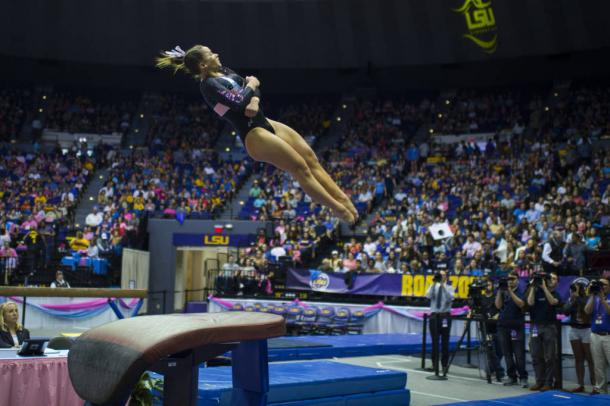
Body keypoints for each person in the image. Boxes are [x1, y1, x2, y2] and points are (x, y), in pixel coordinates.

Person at [156, 45, 358, 224]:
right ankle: (337, 208)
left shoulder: (224, 72)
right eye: (210, 54)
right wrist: (251, 88)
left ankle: (344, 200)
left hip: (265, 121)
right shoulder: (208, 86)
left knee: (311, 159)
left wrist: (254, 100)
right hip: (253, 133)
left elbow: (250, 94)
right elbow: (240, 99)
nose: (216, 53)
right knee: (300, 168)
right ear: (202, 66)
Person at [526, 272, 561, 391]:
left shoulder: (555, 293)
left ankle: (548, 382)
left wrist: (544, 287)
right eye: (549, 279)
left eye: (552, 279)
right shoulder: (536, 292)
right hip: (535, 326)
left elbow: (552, 302)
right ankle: (539, 381)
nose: (550, 281)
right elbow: (530, 302)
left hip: (549, 326)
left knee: (550, 356)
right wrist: (532, 286)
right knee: (536, 355)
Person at [495, 271, 528, 387]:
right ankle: (511, 376)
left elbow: (521, 304)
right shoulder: (503, 291)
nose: (511, 281)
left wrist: (509, 291)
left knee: (519, 354)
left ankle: (523, 377)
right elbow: (498, 306)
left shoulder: (522, 290)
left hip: (516, 327)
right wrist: (500, 291)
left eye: (513, 279)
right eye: (509, 279)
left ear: (518, 280)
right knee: (507, 353)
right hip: (503, 326)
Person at [562, 281, 594, 393]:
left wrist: (578, 297)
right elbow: (565, 312)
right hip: (574, 330)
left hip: (586, 329)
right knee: (578, 358)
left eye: (576, 288)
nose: (574, 291)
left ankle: (595, 386)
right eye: (573, 289)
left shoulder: (588, 298)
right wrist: (572, 299)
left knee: (590, 359)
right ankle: (580, 385)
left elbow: (587, 309)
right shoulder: (571, 299)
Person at [425, 270, 455, 372]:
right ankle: (434, 365)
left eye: (443, 275)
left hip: (445, 316)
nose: (441, 277)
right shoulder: (432, 286)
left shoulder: (450, 287)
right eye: (440, 275)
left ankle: (444, 365)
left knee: (445, 342)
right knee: (434, 341)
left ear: (446, 277)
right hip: (434, 316)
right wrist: (434, 283)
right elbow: (428, 296)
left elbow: (449, 299)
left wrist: (443, 286)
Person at [584, 277, 610, 395]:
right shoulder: (593, 298)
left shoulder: (607, 298)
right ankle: (601, 390)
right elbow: (587, 311)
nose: (602, 287)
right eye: (600, 285)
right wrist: (593, 296)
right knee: (598, 365)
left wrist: (603, 299)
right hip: (595, 335)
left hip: (608, 336)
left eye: (604, 284)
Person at [481, 278, 505, 382]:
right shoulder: (481, 298)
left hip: (497, 326)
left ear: (493, 286)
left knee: (500, 351)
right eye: (485, 285)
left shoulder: (496, 296)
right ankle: (498, 371)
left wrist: (498, 315)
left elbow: (501, 308)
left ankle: (491, 369)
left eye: (489, 285)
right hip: (486, 327)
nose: (487, 286)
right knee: (491, 351)